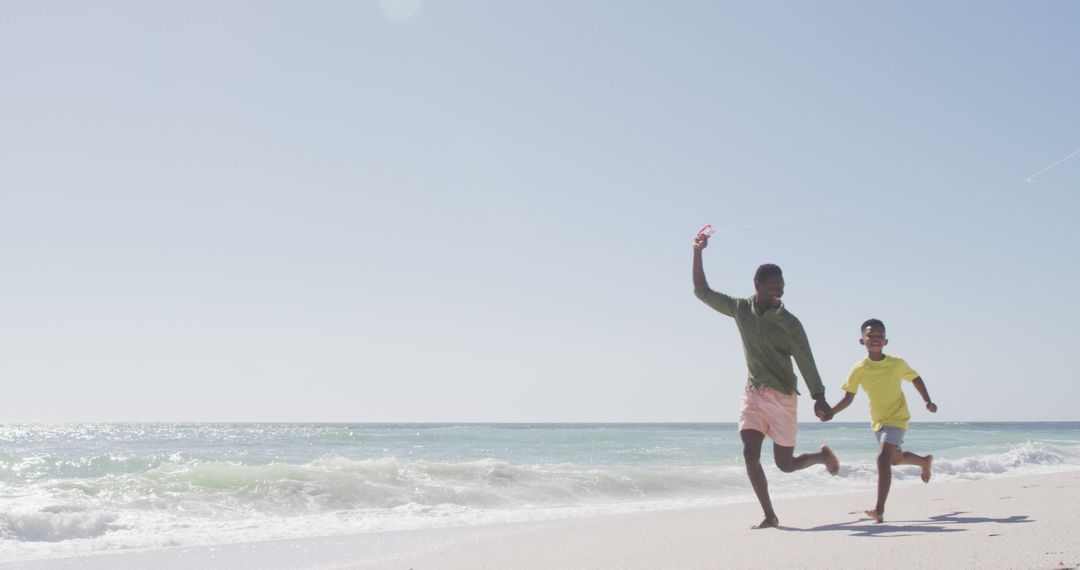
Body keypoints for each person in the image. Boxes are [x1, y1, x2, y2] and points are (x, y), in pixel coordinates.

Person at [692, 231, 839, 530]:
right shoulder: (740, 309)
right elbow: (702, 291)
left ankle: (821, 457)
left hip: (783, 397)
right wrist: (698, 251)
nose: (779, 293)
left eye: (782, 288)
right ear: (757, 285)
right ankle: (770, 515)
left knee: (785, 465)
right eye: (774, 287)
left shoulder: (789, 323)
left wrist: (819, 396)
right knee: (749, 453)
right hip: (754, 394)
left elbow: (805, 358)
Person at [830, 318, 937, 523]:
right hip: (878, 421)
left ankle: (879, 509)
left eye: (880, 336)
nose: (876, 339)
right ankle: (924, 461)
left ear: (886, 341)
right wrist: (832, 412)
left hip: (898, 417)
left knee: (882, 460)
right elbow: (848, 397)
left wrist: (927, 401)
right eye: (871, 336)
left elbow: (915, 377)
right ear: (862, 341)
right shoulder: (859, 368)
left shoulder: (896, 364)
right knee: (894, 460)